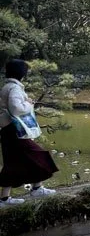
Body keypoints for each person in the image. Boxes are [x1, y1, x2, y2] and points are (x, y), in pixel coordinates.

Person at [0, 60, 58, 204]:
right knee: (38, 154)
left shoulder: (6, 86)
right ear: (22, 74)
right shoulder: (15, 88)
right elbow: (16, 109)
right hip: (15, 130)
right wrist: (29, 104)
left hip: (7, 129)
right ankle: (36, 189)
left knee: (11, 162)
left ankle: (5, 198)